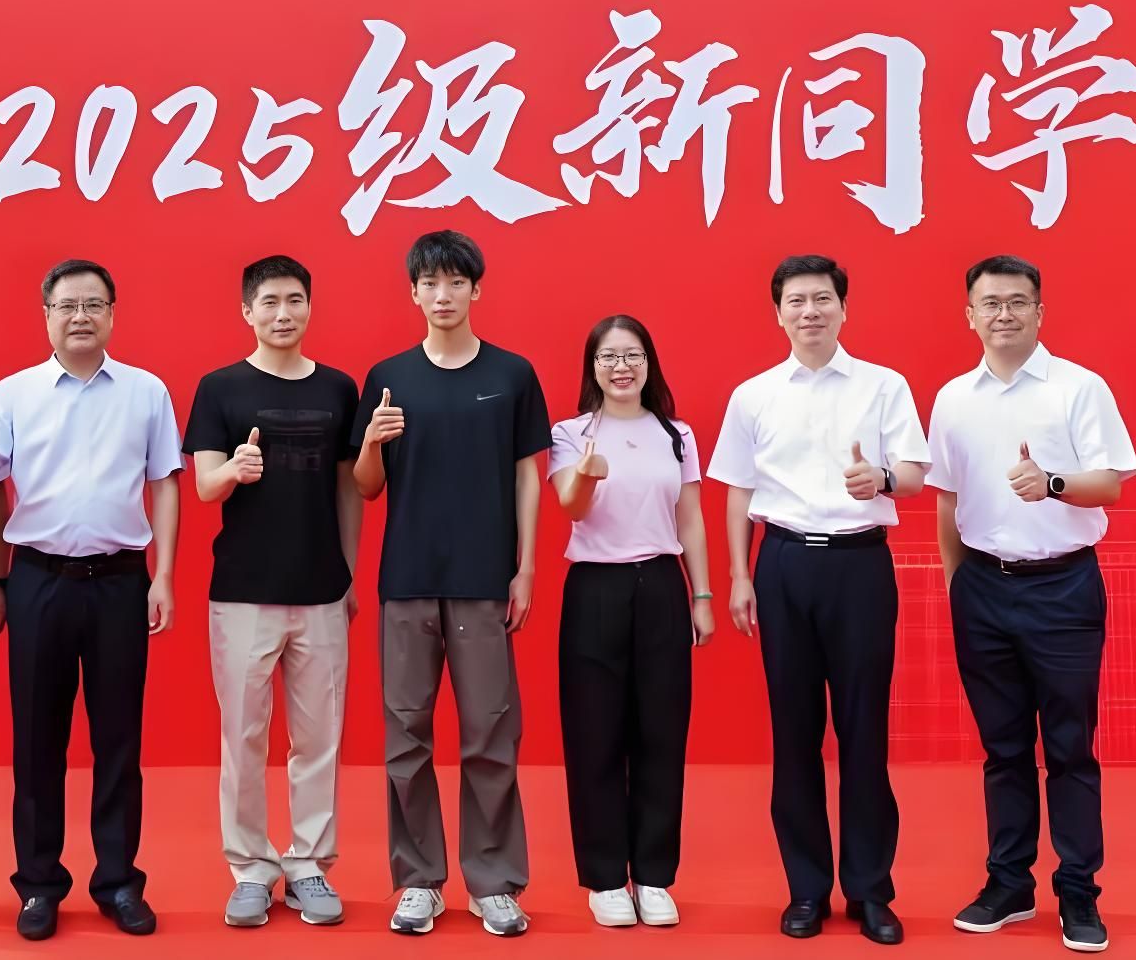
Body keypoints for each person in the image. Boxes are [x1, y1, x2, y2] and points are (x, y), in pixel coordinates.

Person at [0, 259, 181, 941]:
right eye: (67, 306)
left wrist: (163, 575)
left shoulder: (146, 392)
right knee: (36, 738)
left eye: (93, 305)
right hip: (39, 580)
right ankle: (38, 885)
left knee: (119, 739)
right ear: (46, 316)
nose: (81, 316)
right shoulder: (13, 394)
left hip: (119, 580)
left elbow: (165, 482)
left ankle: (118, 882)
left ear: (112, 313)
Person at [708, 254, 928, 946]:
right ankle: (806, 888)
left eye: (823, 299)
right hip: (782, 563)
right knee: (793, 731)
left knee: (865, 731)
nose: (810, 311)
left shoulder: (883, 385)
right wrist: (739, 575)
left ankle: (870, 890)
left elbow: (916, 474)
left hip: (860, 565)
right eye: (797, 301)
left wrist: (881, 479)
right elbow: (739, 488)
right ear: (778, 313)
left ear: (843, 307)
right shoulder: (753, 395)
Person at [926, 255, 1136, 955]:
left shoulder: (1079, 387)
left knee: (1070, 747)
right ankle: (1009, 883)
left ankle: (1078, 890)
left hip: (1062, 587)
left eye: (1018, 302)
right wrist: (957, 585)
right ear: (970, 316)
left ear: (1040, 312)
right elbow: (947, 499)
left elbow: (1109, 484)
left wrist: (1050, 483)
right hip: (982, 587)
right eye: (990, 304)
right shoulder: (953, 398)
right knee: (1003, 747)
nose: (1004, 314)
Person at [353, 229, 550, 938]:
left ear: (475, 289)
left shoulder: (512, 374)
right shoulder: (388, 377)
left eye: (455, 283)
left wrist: (525, 566)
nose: (443, 295)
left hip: (483, 579)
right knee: (405, 734)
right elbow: (367, 487)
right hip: (407, 580)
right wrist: (371, 440)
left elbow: (529, 474)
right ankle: (418, 881)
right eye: (430, 284)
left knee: (491, 732)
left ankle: (494, 882)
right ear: (413, 292)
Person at [184, 255, 362, 928]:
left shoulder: (339, 388)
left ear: (310, 306)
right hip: (242, 593)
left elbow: (349, 489)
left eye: (294, 300)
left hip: (322, 592)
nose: (283, 313)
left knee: (319, 738)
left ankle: (309, 864)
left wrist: (348, 574)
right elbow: (204, 486)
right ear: (246, 311)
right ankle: (251, 869)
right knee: (244, 737)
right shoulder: (219, 388)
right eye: (269, 302)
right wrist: (233, 468)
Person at [548, 314, 716, 930]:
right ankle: (603, 878)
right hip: (595, 587)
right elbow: (570, 506)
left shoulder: (676, 433)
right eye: (609, 357)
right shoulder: (572, 433)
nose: (622, 368)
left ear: (649, 363)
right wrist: (587, 477)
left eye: (633, 356)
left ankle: (652, 875)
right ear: (592, 367)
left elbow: (690, 517)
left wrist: (702, 595)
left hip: (661, 586)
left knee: (661, 734)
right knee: (594, 735)